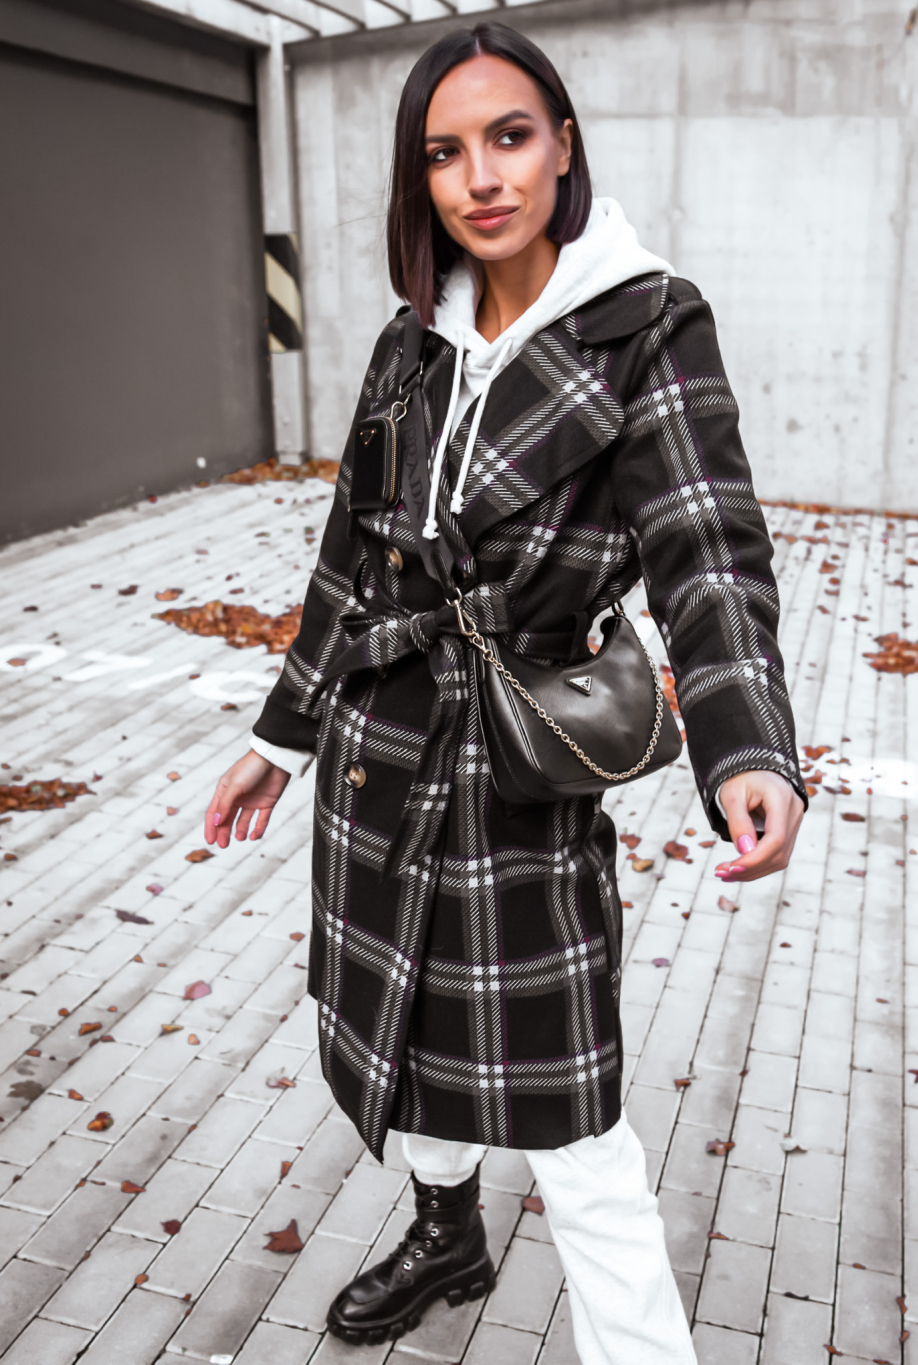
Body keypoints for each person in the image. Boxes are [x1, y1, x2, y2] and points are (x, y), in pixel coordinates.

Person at [205, 22, 806, 1364]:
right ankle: (446, 1232)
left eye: (510, 136)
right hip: (377, 756)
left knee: (570, 1116)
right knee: (404, 1034)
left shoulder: (646, 322)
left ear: (564, 146)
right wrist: (280, 736)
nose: (480, 177)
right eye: (444, 152)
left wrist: (746, 746)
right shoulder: (410, 344)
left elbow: (708, 547)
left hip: (517, 769)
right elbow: (351, 559)